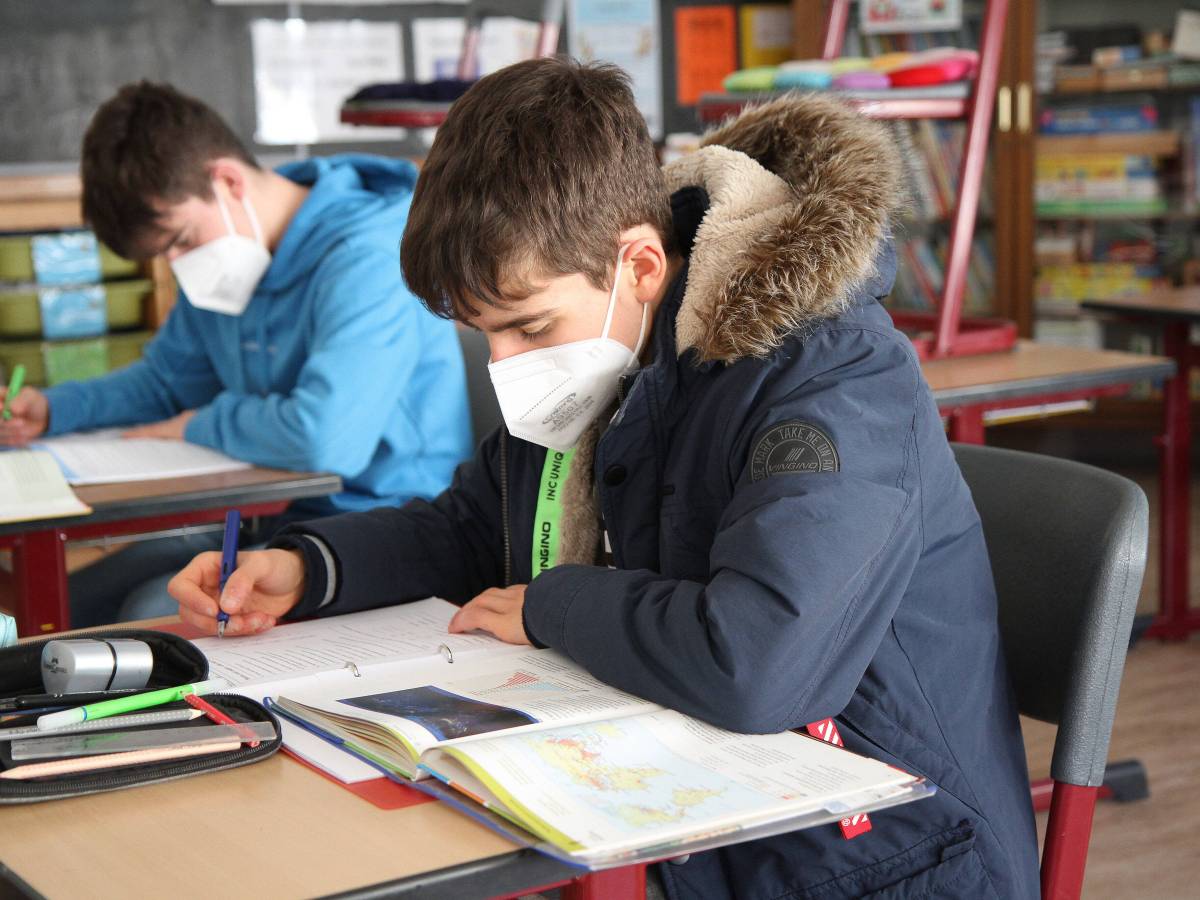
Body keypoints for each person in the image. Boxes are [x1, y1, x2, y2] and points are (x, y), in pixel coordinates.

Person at [170, 59, 1040, 898]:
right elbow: (472, 528)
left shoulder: (830, 375)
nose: (505, 364)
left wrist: (554, 606)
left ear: (640, 266)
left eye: (528, 325)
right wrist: (310, 567)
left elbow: (761, 663)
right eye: (485, 335)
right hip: (687, 805)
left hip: (881, 856)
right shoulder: (606, 349)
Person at [0, 81, 472, 626]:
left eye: (180, 240)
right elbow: (164, 384)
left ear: (227, 181)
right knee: (79, 600)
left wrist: (199, 424)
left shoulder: (368, 254)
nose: (180, 264)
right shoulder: (227, 264)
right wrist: (57, 410)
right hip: (268, 519)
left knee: (156, 613)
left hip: (380, 524)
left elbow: (325, 439)